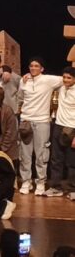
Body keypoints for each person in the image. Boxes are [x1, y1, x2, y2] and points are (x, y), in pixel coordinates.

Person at [18, 56, 62, 196]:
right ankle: (26, 181)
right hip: (26, 120)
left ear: (42, 68)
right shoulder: (24, 80)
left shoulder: (48, 80)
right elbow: (20, 98)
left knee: (42, 154)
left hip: (42, 121)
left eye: (36, 66)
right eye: (31, 66)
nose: (33, 68)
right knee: (25, 154)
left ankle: (41, 182)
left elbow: (67, 79)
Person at [48, 66, 75, 199]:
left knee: (72, 161)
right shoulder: (62, 87)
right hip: (58, 125)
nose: (65, 80)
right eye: (64, 77)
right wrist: (28, 76)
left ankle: (72, 189)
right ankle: (56, 187)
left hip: (72, 128)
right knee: (56, 159)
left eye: (69, 78)